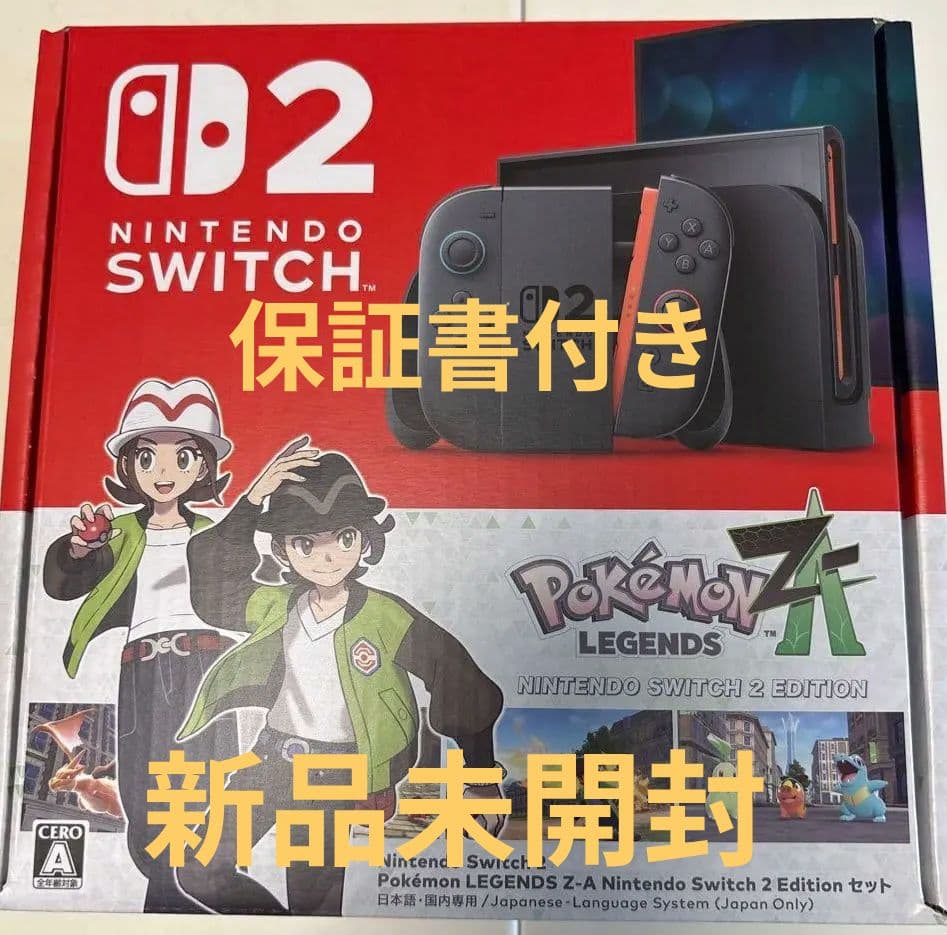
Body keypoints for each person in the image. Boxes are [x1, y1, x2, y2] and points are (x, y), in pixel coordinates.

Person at [175, 441, 505, 914]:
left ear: (364, 539)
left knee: (314, 903)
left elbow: (458, 677)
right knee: (200, 867)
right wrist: (251, 501)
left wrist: (481, 776)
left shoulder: (386, 617)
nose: (326, 558)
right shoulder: (276, 606)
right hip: (269, 759)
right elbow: (214, 591)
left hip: (335, 774)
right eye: (306, 543)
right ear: (284, 549)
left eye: (343, 538)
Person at [43, 377, 239, 912]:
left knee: (200, 789)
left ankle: (185, 897)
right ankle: (171, 896)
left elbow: (249, 589)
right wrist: (80, 549)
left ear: (203, 468)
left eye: (184, 457)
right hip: (141, 668)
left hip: (203, 662)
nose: (164, 472)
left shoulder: (214, 530)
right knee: (142, 795)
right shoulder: (121, 532)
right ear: (129, 467)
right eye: (147, 457)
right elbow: (64, 584)